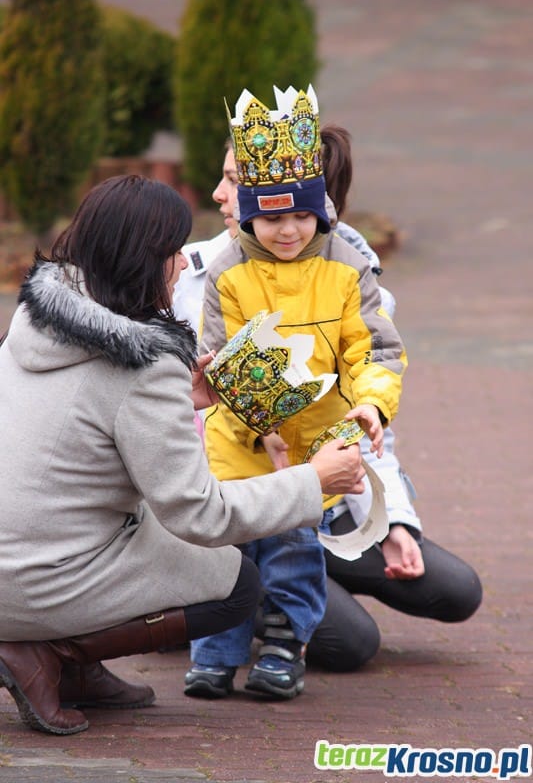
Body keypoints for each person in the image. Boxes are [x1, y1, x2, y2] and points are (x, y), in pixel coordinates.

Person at [0, 174, 367, 736]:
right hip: (35, 585)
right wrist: (313, 481)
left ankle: (69, 662)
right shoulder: (142, 365)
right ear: (149, 262)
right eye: (173, 251)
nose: (180, 264)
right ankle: (50, 654)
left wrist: (184, 398)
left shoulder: (34, 322)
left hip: (16, 559)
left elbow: (82, 432)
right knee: (236, 583)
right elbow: (200, 514)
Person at [174, 122, 482, 678]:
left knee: (454, 591)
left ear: (320, 205)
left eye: (231, 180)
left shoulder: (351, 274)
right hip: (234, 478)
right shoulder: (199, 274)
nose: (218, 194)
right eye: (230, 184)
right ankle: (210, 635)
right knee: (347, 643)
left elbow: (372, 383)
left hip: (325, 483)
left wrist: (396, 524)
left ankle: (295, 593)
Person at [182, 84, 407, 701]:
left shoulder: (345, 266)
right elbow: (221, 359)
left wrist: (372, 402)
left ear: (323, 210)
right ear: (251, 212)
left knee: (292, 549)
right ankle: (214, 655)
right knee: (228, 548)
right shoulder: (227, 270)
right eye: (274, 216)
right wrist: (258, 422)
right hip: (240, 438)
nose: (289, 230)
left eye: (302, 215)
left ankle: (284, 648)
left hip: (313, 445)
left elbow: (375, 349)